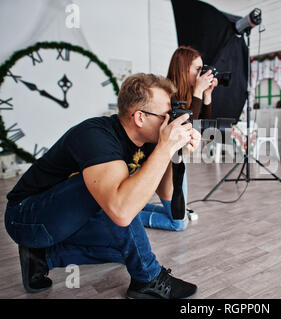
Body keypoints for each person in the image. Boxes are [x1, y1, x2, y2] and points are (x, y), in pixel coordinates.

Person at [3, 73, 201, 299]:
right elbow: (121, 211)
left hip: (66, 218)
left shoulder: (149, 142)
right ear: (139, 117)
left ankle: (41, 256)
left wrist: (173, 152)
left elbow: (167, 194)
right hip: (25, 216)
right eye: (166, 116)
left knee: (125, 250)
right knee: (118, 197)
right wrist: (165, 148)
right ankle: (148, 278)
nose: (172, 122)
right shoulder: (96, 136)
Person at [140, 46, 218, 231]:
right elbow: (189, 127)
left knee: (178, 215)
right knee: (178, 223)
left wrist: (206, 94)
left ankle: (132, 207)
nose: (202, 74)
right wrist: (198, 91)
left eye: (203, 69)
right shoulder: (167, 96)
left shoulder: (189, 93)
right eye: (198, 69)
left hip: (176, 161)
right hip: (162, 162)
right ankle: (123, 213)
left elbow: (202, 128)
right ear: (184, 70)